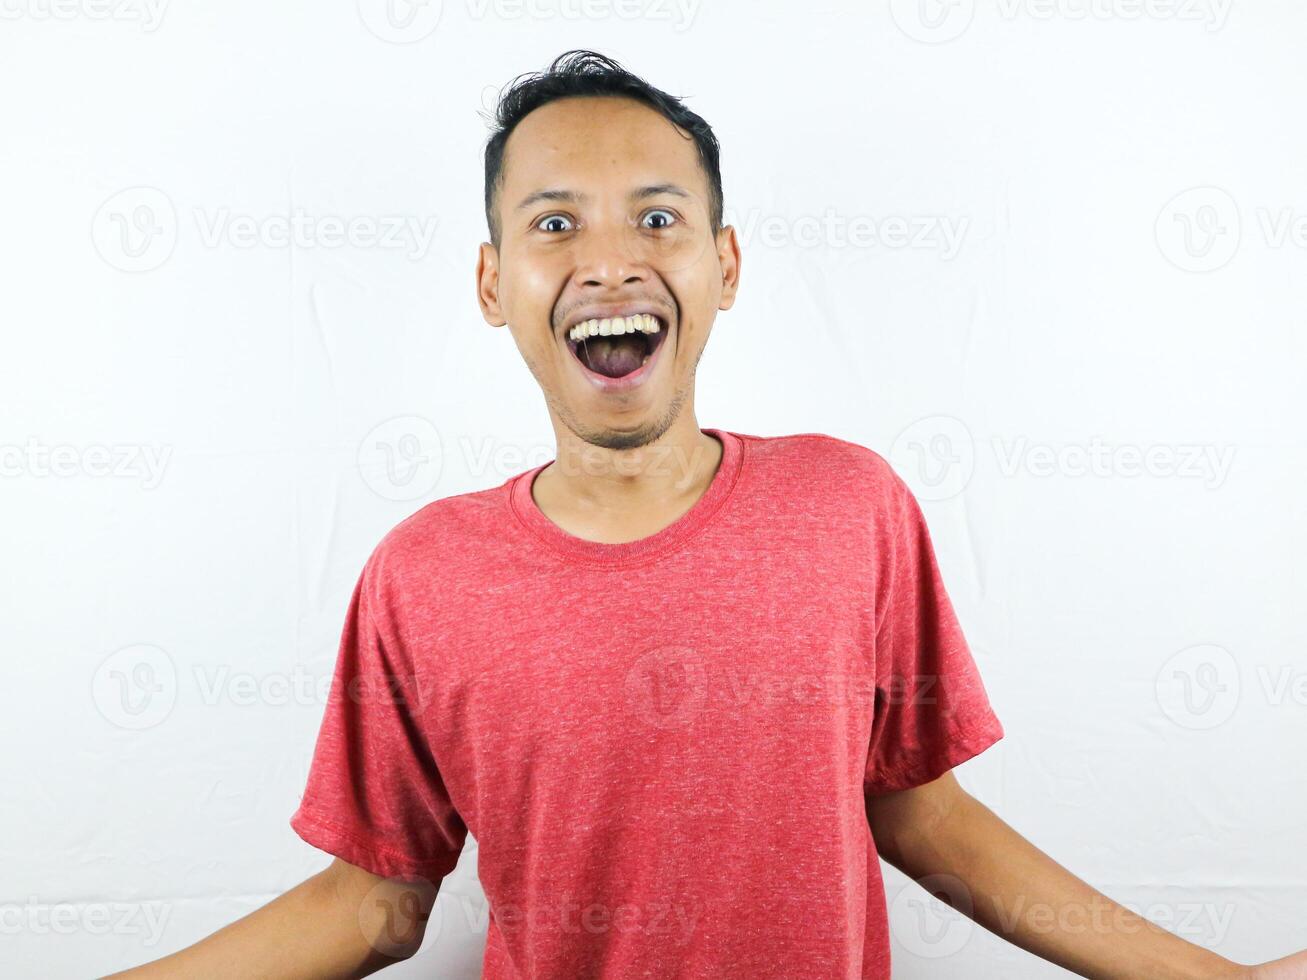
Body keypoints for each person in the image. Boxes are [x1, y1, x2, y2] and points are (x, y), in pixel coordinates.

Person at [107, 49, 1306, 980]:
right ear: (492, 283)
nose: (611, 261)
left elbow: (916, 804)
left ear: (725, 265)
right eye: (554, 223)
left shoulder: (851, 504)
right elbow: (371, 900)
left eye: (658, 218)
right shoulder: (420, 575)